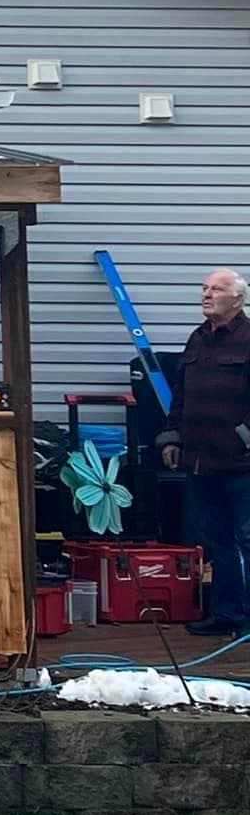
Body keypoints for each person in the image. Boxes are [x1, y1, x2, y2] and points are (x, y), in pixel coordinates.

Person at [157, 269, 250, 635]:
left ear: (238, 299)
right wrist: (172, 438)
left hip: (242, 462)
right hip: (201, 461)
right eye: (205, 289)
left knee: (245, 540)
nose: (207, 295)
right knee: (218, 541)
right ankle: (227, 615)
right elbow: (181, 396)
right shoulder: (197, 339)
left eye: (217, 289)